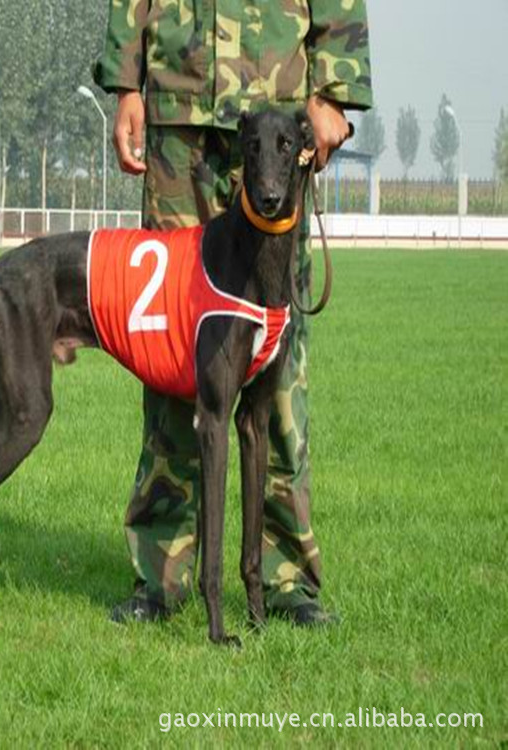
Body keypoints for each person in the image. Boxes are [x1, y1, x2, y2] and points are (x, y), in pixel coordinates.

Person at [93, 0, 372, 625]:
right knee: (168, 348)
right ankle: (160, 574)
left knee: (274, 370)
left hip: (277, 105)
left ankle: (283, 578)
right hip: (177, 115)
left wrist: (335, 89)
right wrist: (125, 80)